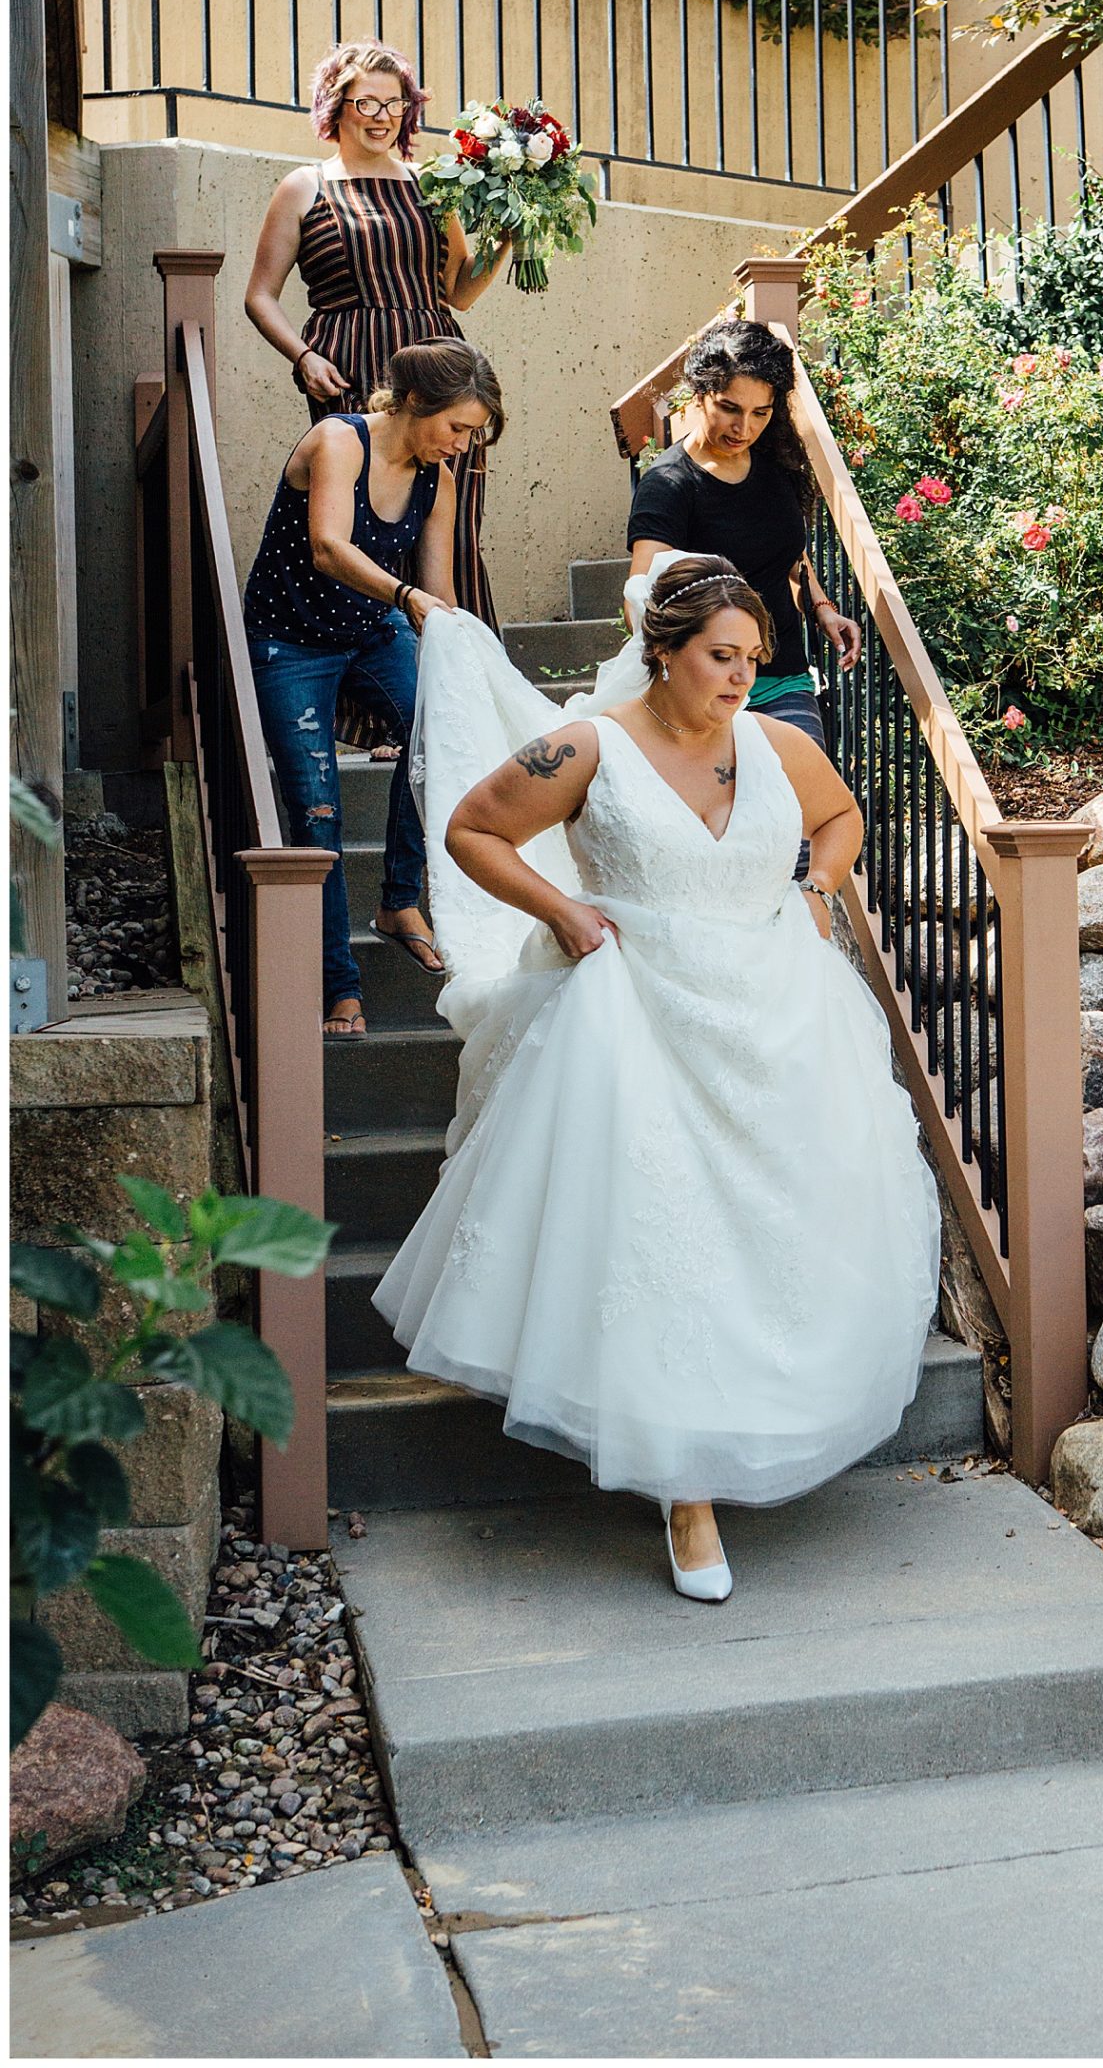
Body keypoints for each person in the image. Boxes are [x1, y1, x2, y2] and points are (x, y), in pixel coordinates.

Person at [374, 553, 941, 1602]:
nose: (740, 678)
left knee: (776, 1232)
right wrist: (564, 910)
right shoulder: (590, 745)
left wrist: (817, 884)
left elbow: (841, 816)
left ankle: (765, 1418)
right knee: (666, 1238)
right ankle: (687, 1493)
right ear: (664, 651)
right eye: (722, 657)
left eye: (753, 659)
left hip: (775, 1015)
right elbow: (469, 829)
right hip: (636, 1016)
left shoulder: (776, 742)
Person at [243, 38, 509, 752]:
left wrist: (510, 242)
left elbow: (460, 291)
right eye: (366, 100)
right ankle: (372, 719)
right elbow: (259, 297)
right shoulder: (305, 187)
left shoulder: (431, 185)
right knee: (361, 529)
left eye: (394, 103)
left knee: (445, 530)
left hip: (440, 363)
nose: (382, 115)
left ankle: (448, 698)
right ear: (337, 107)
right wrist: (302, 357)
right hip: (351, 368)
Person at [243, 338, 505, 1038]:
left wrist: (454, 659)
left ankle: (397, 899)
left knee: (439, 738)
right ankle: (339, 987)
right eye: (456, 427)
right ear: (415, 402)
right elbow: (328, 546)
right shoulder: (337, 441)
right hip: (289, 640)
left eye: (472, 433)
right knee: (318, 815)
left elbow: (440, 594)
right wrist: (404, 595)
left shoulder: (437, 477)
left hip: (373, 628)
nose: (461, 444)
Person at [625, 318, 862, 749]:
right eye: (730, 408)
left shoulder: (777, 464)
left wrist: (823, 607)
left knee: (802, 803)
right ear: (700, 396)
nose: (744, 428)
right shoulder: (669, 485)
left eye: (760, 413)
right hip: (706, 691)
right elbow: (639, 597)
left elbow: (788, 553)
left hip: (783, 678)